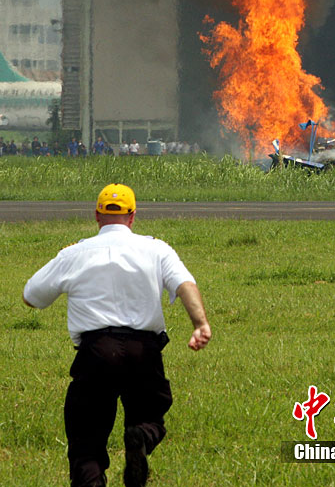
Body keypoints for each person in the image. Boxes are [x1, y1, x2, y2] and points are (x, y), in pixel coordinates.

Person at [22, 183, 211, 487]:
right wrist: (200, 324)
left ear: (97, 215)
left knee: (86, 442)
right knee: (150, 417)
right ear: (133, 216)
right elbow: (184, 284)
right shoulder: (157, 249)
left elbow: (31, 296)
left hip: (96, 351)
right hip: (144, 351)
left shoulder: (74, 253)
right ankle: (141, 437)